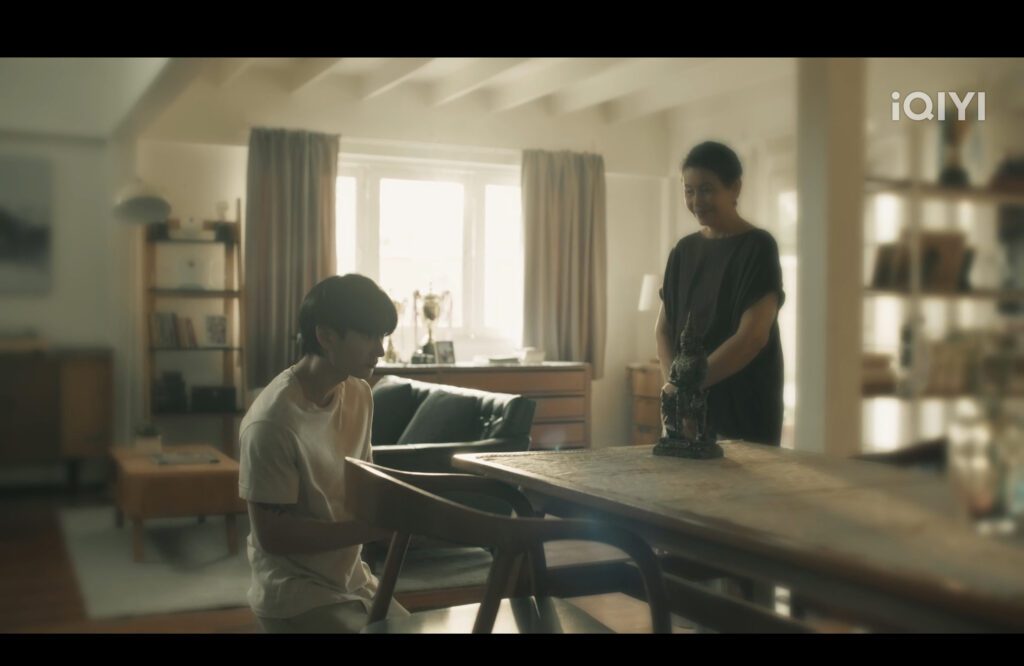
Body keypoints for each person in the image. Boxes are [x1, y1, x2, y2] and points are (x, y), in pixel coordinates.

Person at [238, 273, 409, 633]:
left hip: (354, 579)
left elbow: (365, 482)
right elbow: (272, 535)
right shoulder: (272, 420)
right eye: (369, 336)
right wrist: (371, 529)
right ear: (326, 336)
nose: (380, 350)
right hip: (295, 592)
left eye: (382, 337)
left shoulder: (360, 393)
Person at [656, 141, 786, 447]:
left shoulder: (758, 247)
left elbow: (752, 337)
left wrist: (687, 388)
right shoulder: (683, 251)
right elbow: (663, 329)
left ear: (735, 188)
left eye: (707, 189)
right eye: (689, 191)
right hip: (687, 411)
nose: (696, 200)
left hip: (743, 406)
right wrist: (676, 391)